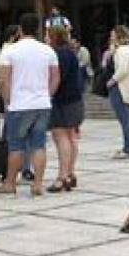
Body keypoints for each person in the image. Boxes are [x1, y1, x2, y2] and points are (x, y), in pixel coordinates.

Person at [0, 13, 60, 197]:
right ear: (37, 29)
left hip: (19, 105)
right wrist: (47, 95)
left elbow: (4, 79)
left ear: (20, 29)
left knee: (16, 147)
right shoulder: (48, 51)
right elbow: (56, 78)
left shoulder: (10, 51)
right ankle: (38, 184)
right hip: (41, 104)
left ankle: (10, 183)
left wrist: (8, 101)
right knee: (38, 145)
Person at [47, 28, 84, 193]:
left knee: (61, 137)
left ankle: (62, 177)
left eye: (48, 35)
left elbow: (57, 78)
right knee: (72, 136)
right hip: (75, 99)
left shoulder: (58, 55)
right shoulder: (71, 53)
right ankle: (70, 173)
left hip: (62, 101)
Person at [108, 25, 129, 160]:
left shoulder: (123, 51)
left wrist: (112, 80)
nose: (111, 36)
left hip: (121, 88)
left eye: (113, 34)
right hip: (126, 87)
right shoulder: (127, 50)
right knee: (127, 119)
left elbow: (122, 70)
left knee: (126, 119)